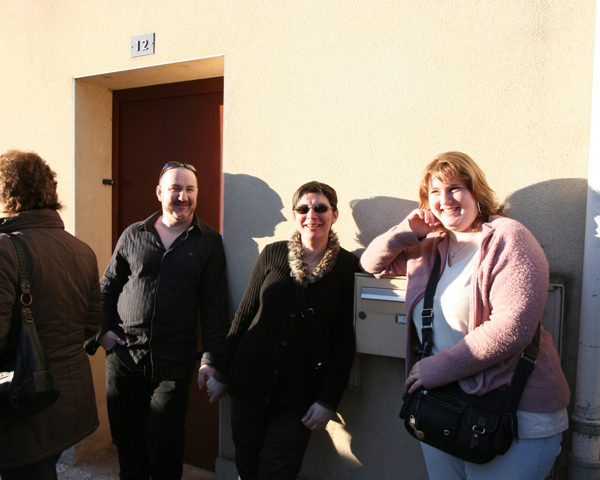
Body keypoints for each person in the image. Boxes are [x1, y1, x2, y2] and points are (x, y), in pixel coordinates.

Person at [360, 152, 571, 480]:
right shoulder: (430, 245)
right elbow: (372, 263)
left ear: (476, 192)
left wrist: (435, 369)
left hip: (512, 414)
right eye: (435, 192)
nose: (444, 200)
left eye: (455, 188)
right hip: (444, 406)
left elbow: (512, 327)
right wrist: (407, 229)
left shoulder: (508, 237)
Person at [0, 150, 102, 479]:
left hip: (23, 400)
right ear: (49, 189)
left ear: (4, 194)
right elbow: (91, 324)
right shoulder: (81, 249)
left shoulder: (2, 248)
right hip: (68, 396)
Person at [206, 181, 360, 480]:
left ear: (334, 214)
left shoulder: (347, 266)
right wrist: (222, 372)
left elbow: (343, 341)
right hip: (249, 382)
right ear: (294, 215)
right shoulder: (272, 253)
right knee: (246, 463)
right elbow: (244, 315)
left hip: (298, 396)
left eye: (320, 208)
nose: (311, 215)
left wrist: (327, 400)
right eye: (303, 208)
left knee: (278, 471)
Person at [85, 161, 229, 480]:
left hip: (174, 361)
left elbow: (214, 305)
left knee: (166, 441)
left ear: (197, 194)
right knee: (127, 437)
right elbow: (108, 286)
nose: (183, 196)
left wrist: (210, 358)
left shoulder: (209, 241)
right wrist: (101, 333)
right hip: (124, 356)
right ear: (159, 192)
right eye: (175, 188)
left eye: (189, 189)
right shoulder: (133, 234)